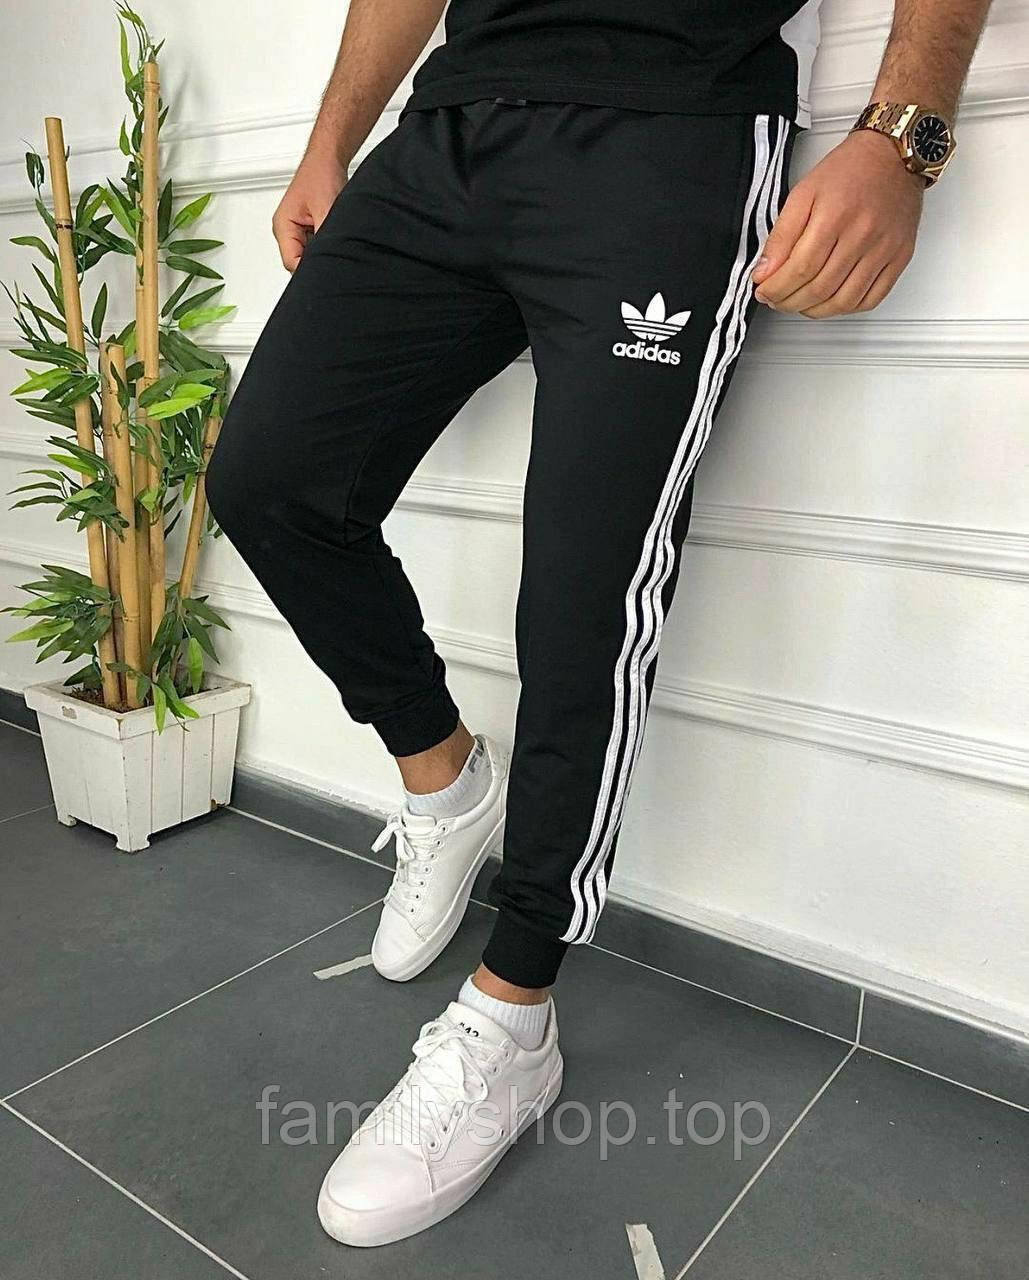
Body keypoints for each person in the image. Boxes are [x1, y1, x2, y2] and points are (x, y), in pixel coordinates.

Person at [204, 0, 992, 1248]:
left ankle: (513, 1014)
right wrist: (330, 138)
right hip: (452, 124)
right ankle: (447, 780)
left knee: (585, 593)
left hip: (670, 125)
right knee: (269, 482)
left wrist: (904, 137)